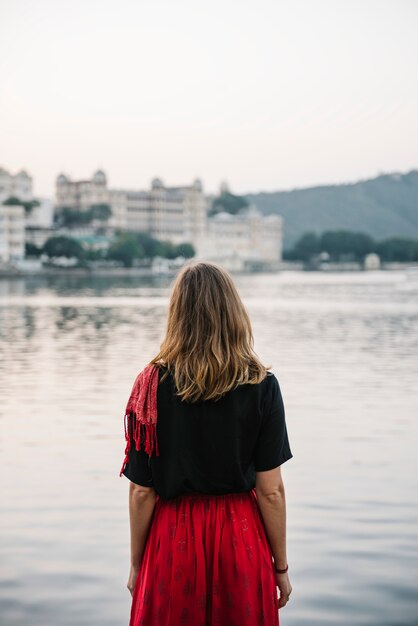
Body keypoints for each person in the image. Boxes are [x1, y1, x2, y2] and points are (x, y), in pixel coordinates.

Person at [119, 260, 293, 626]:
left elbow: (141, 492)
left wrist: (138, 564)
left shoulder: (150, 384)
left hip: (172, 538)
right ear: (234, 313)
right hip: (240, 536)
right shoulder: (261, 385)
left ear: (176, 314)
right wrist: (280, 567)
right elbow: (271, 490)